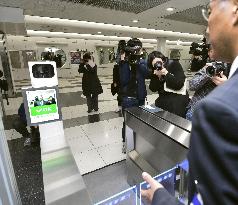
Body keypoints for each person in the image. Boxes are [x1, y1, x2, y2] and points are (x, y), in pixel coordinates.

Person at [142, 0, 238, 204]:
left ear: (235, 10)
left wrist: (160, 197)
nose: (207, 25)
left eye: (210, 11)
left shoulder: (220, 108)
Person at [119, 38, 149, 153]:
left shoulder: (142, 61)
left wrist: (140, 61)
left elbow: (147, 74)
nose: (138, 52)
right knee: (127, 123)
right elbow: (124, 79)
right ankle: (125, 143)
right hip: (129, 98)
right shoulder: (124, 60)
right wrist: (124, 62)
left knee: (139, 122)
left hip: (140, 97)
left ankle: (136, 143)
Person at [186, 46, 230, 120]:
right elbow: (191, 85)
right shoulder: (209, 66)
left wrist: (227, 85)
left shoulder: (233, 69)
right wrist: (207, 75)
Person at [148, 51, 190, 118]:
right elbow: (153, 88)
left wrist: (166, 73)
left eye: (159, 62)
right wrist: (157, 77)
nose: (158, 65)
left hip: (177, 102)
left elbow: (179, 84)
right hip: (164, 102)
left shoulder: (174, 65)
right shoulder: (155, 70)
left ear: (163, 60)